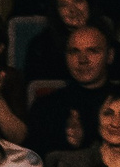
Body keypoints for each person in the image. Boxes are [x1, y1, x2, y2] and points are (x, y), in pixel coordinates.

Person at [27, 23, 114, 154]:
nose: (83, 60)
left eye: (92, 51)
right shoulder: (46, 106)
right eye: (74, 52)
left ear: (110, 56)